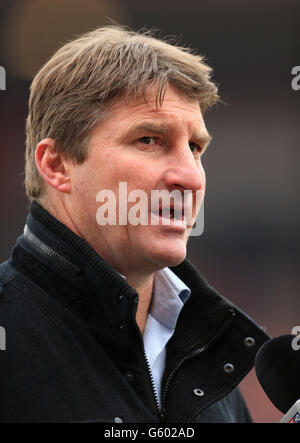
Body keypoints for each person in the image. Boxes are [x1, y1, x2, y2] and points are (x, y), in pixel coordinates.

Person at [0, 25, 269, 423]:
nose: (191, 177)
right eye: (148, 140)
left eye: (195, 148)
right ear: (57, 165)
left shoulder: (210, 359)